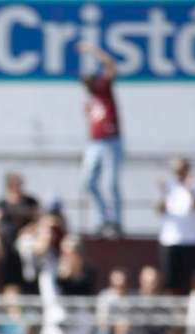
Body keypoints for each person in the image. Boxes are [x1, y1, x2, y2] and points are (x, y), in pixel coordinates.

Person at [78, 42, 123, 237]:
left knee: (111, 183)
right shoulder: (90, 99)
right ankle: (103, 218)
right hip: (95, 143)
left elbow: (111, 66)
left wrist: (92, 50)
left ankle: (115, 221)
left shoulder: (103, 89)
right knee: (88, 182)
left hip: (111, 140)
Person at [157, 157, 195, 294]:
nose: (179, 173)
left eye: (182, 170)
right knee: (171, 283)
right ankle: (174, 313)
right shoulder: (169, 186)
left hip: (192, 241)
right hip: (170, 240)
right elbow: (159, 210)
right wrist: (164, 193)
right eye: (177, 170)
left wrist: (191, 189)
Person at [0, 173, 40, 291]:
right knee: (10, 284)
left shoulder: (30, 202)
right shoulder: (2, 204)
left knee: (29, 283)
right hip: (8, 250)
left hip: (27, 251)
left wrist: (29, 230)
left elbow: (41, 221)